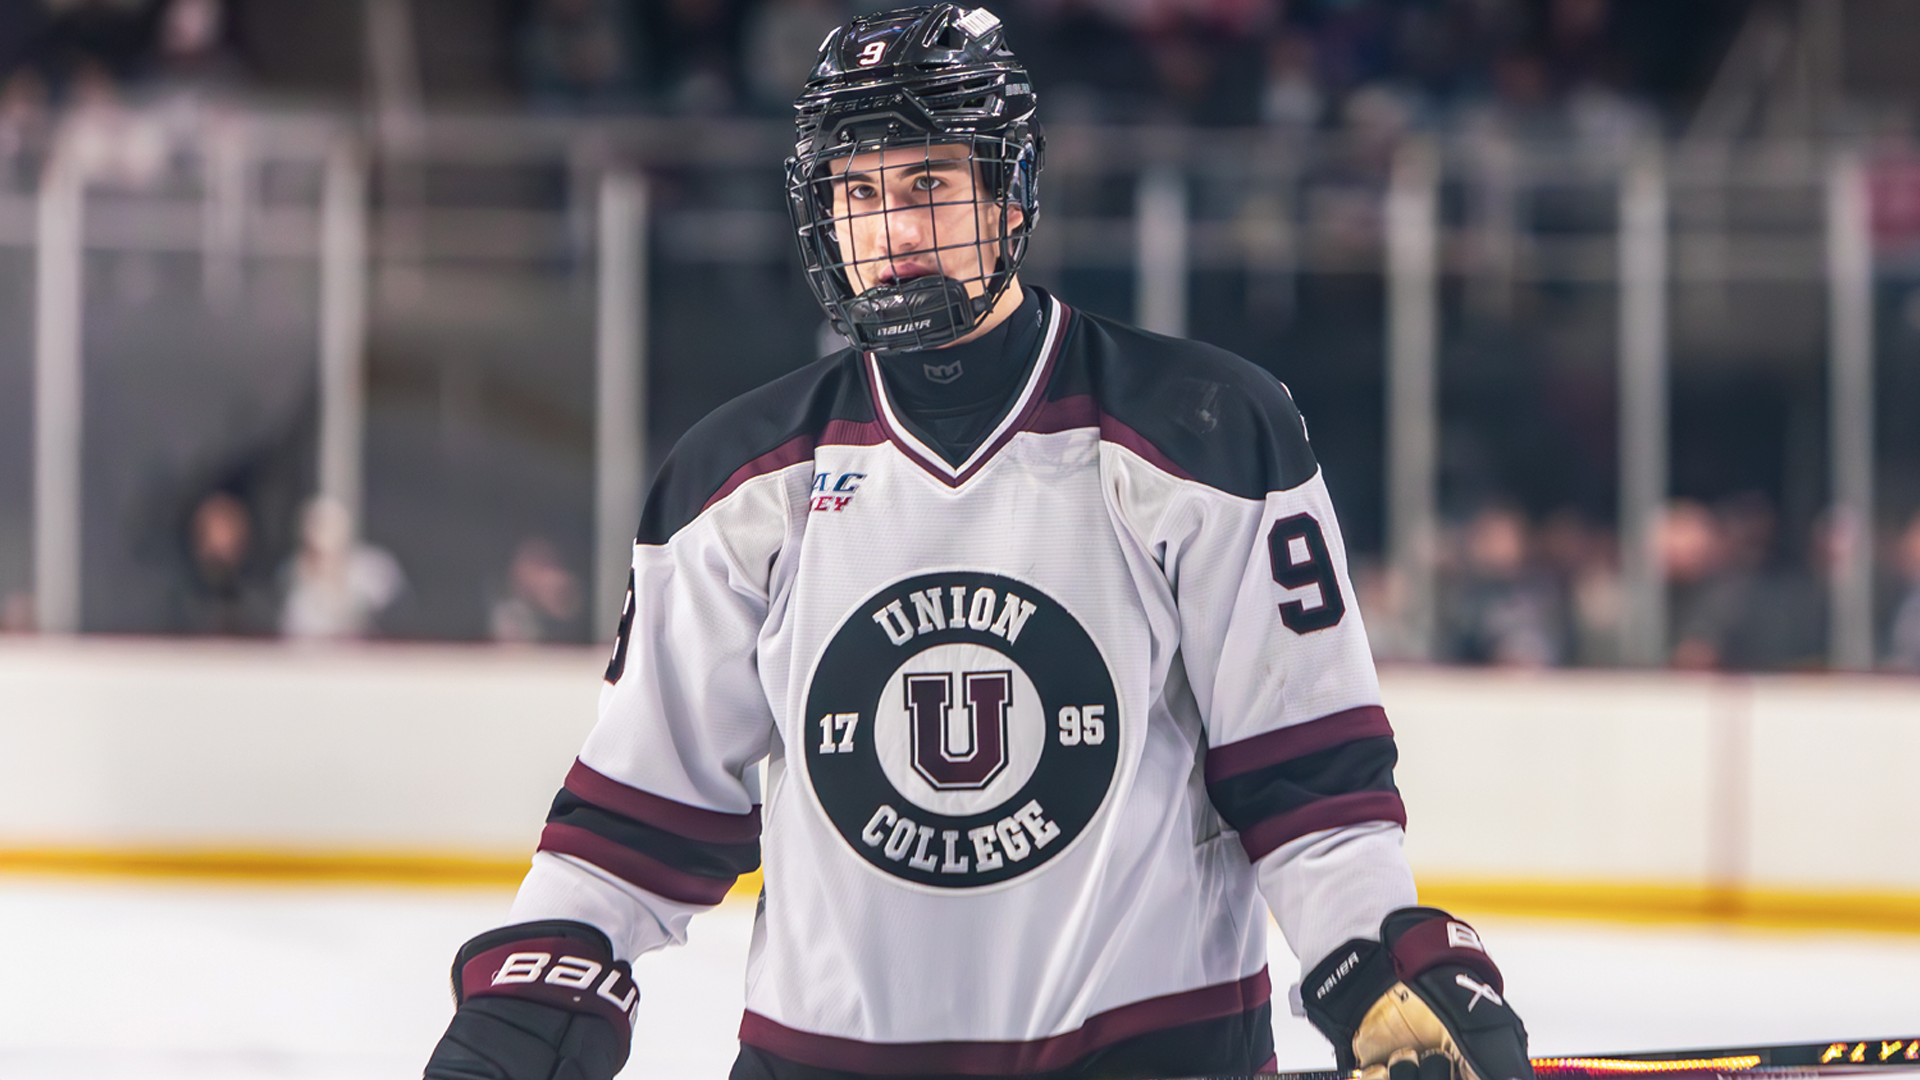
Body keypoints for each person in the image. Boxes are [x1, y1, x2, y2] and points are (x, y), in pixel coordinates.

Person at [421, 7, 1534, 1080]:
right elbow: (638, 813)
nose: (895, 233)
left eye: (928, 185)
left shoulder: (1205, 433)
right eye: (858, 192)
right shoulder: (735, 480)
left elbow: (1310, 788)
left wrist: (1380, 965)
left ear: (1009, 195)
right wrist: (538, 992)